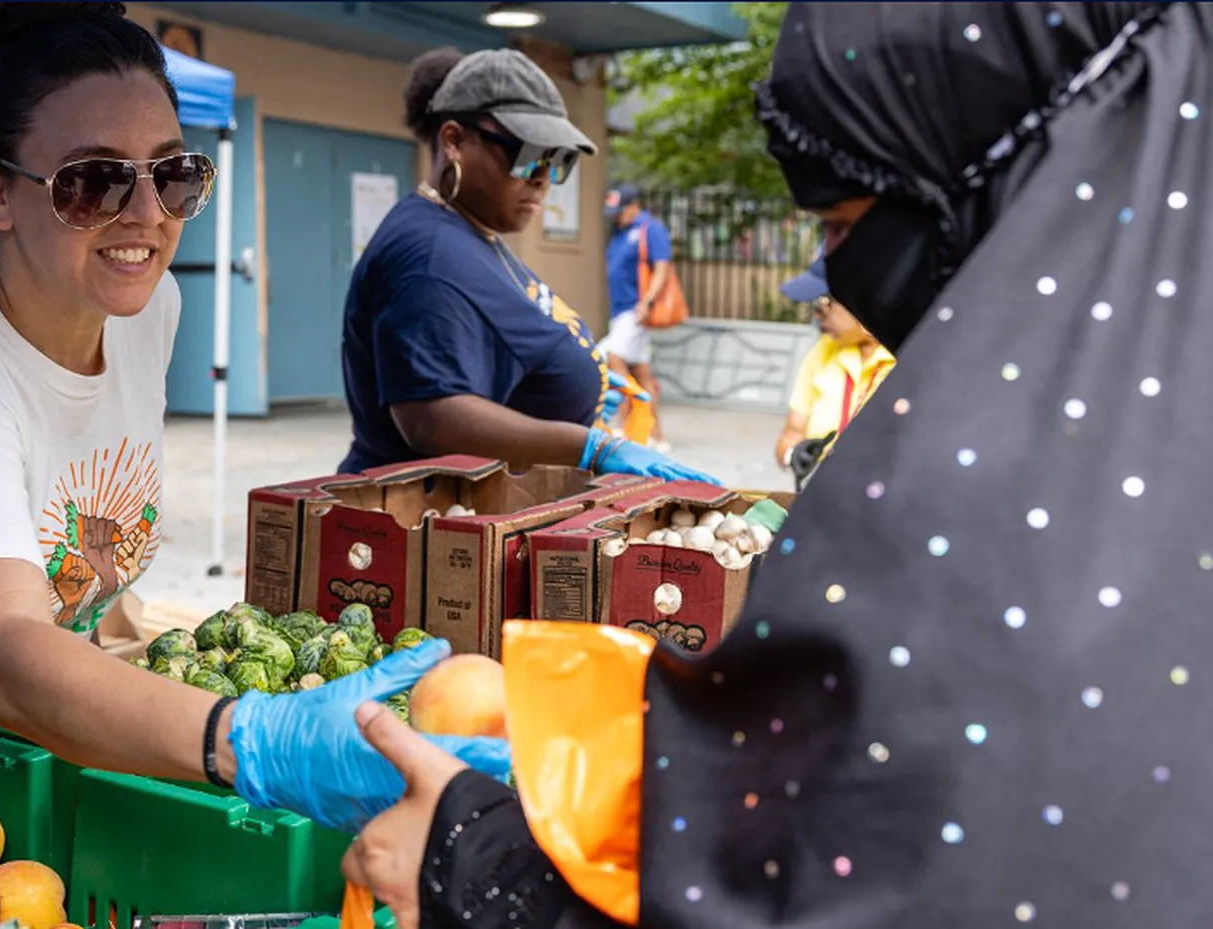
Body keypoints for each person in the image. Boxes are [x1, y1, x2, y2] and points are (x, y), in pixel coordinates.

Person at [341, 2, 1213, 925]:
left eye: (841, 223)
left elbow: (814, 860)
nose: (834, 272)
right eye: (530, 157)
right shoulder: (1114, 415)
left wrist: (479, 859)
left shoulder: (980, 513)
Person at [0, 2, 507, 835]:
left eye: (173, 174)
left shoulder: (146, 308)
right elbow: (0, 652)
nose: (148, 215)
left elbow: (75, 556)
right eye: (93, 182)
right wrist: (246, 739)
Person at [337, 47, 716, 486]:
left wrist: (579, 374)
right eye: (528, 153)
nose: (542, 177)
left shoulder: (472, 231)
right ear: (454, 140)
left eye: (559, 160)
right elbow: (431, 417)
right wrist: (591, 447)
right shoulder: (429, 252)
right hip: (427, 525)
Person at [774, 247, 896, 475]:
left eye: (823, 303)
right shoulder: (822, 351)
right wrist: (795, 453)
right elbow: (791, 432)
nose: (817, 315)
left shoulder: (909, 359)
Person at [600, 183, 674, 452]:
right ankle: (656, 436)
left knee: (612, 357)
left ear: (634, 206)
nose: (617, 216)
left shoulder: (649, 228)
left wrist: (647, 302)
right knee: (641, 373)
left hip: (635, 310)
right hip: (620, 311)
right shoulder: (621, 231)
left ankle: (628, 426)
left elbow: (662, 267)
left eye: (620, 211)